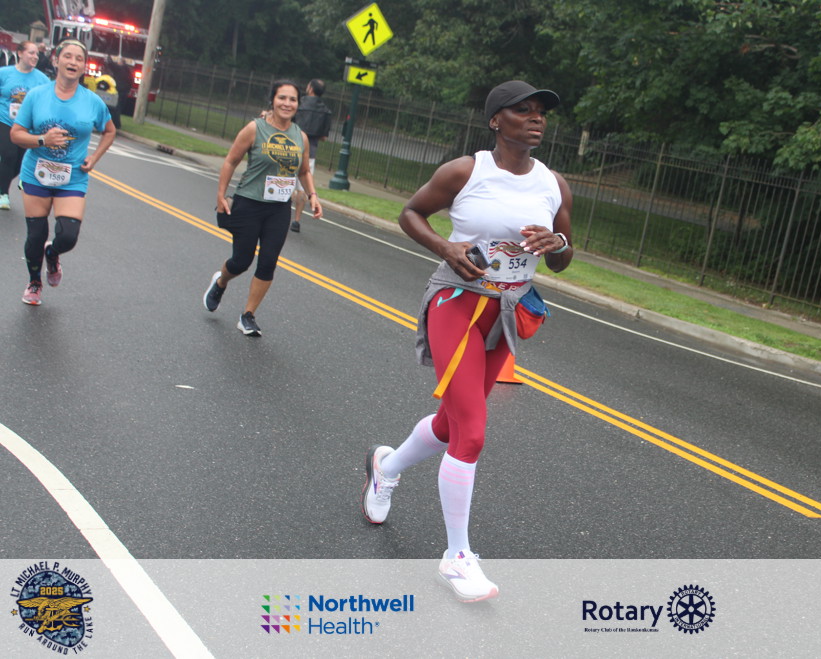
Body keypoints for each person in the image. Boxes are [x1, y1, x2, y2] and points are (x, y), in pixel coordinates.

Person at [361, 80, 574, 602]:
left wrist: (557, 243)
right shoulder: (465, 171)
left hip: (507, 311)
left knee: (450, 424)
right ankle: (457, 557)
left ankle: (385, 468)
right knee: (472, 433)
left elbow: (564, 257)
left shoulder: (554, 184)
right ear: (495, 120)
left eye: (541, 112)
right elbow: (411, 213)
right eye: (523, 111)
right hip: (456, 301)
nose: (536, 119)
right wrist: (445, 247)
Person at [202, 80, 322, 336]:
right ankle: (221, 281)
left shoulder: (300, 137)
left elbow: (303, 171)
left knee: (268, 262)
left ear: (298, 104)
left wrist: (313, 195)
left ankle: (248, 316)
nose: (287, 103)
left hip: (278, 208)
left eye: (292, 99)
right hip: (249, 203)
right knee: (241, 261)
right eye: (282, 98)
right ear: (273, 100)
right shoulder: (254, 129)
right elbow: (231, 161)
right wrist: (221, 195)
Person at [10, 39, 115, 306]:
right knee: (35, 235)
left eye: (79, 59)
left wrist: (94, 157)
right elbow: (16, 134)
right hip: (37, 173)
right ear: (56, 61)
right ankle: (35, 282)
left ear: (84, 66)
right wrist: (43, 140)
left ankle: (53, 254)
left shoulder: (92, 101)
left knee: (68, 235)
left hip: (73, 177)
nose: (73, 62)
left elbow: (109, 130)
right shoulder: (37, 95)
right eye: (67, 56)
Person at [0, 41, 52, 211]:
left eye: (37, 54)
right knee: (8, 154)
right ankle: (3, 194)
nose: (35, 57)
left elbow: (47, 102)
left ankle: (2, 182)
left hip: (26, 127)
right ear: (20, 53)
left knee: (19, 163)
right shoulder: (4, 73)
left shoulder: (42, 80)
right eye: (31, 53)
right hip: (5, 120)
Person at [289, 78, 332, 233]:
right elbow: (324, 137)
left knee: (285, 184)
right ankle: (296, 221)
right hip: (310, 152)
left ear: (311, 88)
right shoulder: (326, 111)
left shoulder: (298, 104)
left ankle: (281, 215)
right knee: (302, 188)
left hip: (290, 147)